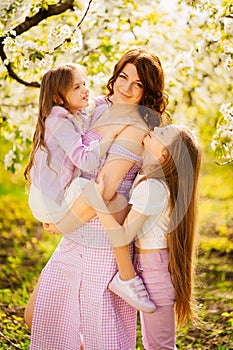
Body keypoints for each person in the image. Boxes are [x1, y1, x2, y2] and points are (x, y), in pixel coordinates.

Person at [24, 48, 169, 350]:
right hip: (77, 228)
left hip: (102, 237)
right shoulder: (97, 105)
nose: (126, 88)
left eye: (138, 84)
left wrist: (62, 223)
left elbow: (104, 188)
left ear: (148, 91)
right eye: (123, 77)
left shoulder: (137, 127)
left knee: (101, 337)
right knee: (40, 316)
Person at [82, 124, 201, 349]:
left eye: (162, 133)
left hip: (155, 272)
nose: (156, 128)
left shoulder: (153, 188)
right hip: (150, 266)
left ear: (164, 155)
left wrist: (97, 204)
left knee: (159, 346)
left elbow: (123, 235)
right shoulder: (149, 180)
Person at [24, 63, 125, 225]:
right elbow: (86, 162)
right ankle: (116, 229)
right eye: (77, 87)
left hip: (46, 198)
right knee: (98, 189)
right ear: (57, 98)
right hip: (48, 202)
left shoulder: (71, 113)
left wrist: (115, 98)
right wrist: (109, 135)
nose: (85, 90)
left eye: (84, 84)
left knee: (100, 192)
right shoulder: (59, 123)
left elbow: (92, 105)